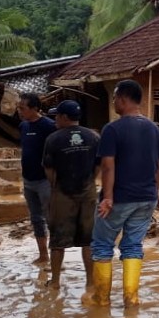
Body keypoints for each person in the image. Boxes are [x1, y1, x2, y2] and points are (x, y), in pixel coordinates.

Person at [84, 80, 159, 308]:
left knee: (102, 246)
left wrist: (107, 197)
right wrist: (156, 193)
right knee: (133, 246)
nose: (113, 103)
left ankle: (101, 299)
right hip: (146, 198)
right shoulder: (154, 129)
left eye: (114, 98)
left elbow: (108, 166)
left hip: (119, 198)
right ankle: (131, 299)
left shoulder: (112, 129)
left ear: (122, 98)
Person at [42, 100, 100, 290]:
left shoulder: (53, 139)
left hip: (62, 193)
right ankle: (90, 283)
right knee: (89, 239)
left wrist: (56, 186)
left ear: (65, 117)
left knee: (58, 239)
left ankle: (56, 281)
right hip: (88, 191)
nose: (55, 119)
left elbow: (49, 170)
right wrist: (89, 182)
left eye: (57, 116)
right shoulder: (93, 137)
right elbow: (98, 166)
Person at [17, 92, 56, 264]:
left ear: (35, 108)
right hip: (28, 180)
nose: (19, 111)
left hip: (44, 181)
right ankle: (43, 255)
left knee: (51, 218)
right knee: (36, 219)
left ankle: (56, 257)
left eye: (22, 108)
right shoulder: (23, 126)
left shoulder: (49, 126)